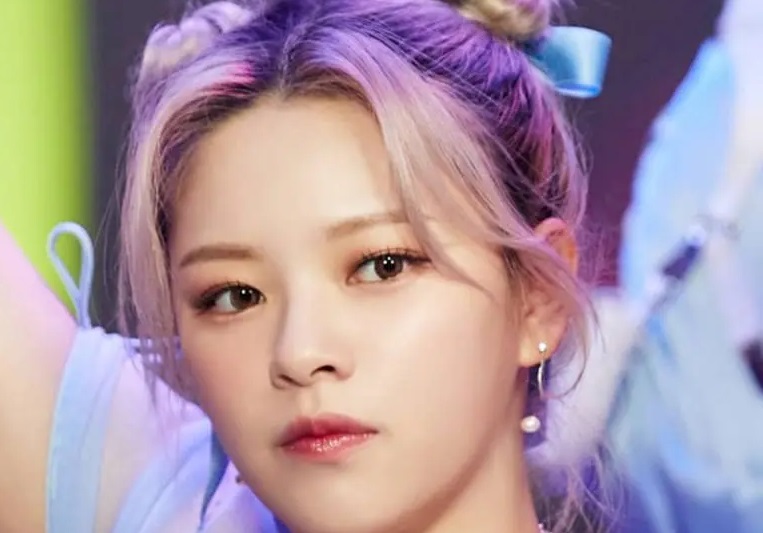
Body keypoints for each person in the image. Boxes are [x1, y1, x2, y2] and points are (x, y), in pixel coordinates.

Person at [0, 0, 610, 531]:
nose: (298, 352)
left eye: (381, 266)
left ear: (537, 297)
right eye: (234, 296)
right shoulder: (142, 497)